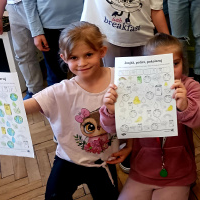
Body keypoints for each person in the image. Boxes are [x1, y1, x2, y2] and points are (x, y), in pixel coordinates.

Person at [23, 21, 130, 199]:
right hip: (68, 159)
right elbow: (24, 107)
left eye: (88, 54)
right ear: (64, 58)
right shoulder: (60, 91)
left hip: (104, 161)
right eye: (74, 57)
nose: (82, 63)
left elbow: (136, 117)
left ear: (102, 51)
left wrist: (130, 146)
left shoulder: (120, 78)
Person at [100, 33, 200, 199]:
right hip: (142, 169)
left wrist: (185, 106)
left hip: (178, 171)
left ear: (183, 62)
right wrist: (111, 111)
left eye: (175, 63)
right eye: (160, 64)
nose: (169, 70)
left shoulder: (190, 87)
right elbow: (111, 128)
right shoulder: (133, 87)